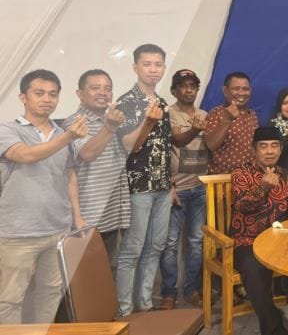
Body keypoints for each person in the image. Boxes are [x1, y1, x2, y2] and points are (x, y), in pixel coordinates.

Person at [0, 70, 88, 324]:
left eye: (53, 94)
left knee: (50, 293)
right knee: (9, 299)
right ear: (23, 97)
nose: (47, 99)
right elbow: (25, 155)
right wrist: (69, 136)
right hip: (17, 232)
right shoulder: (7, 129)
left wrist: (77, 217)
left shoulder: (62, 132)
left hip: (57, 229)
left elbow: (69, 174)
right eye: (39, 93)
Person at [230, 126, 288, 335]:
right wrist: (264, 187)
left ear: (280, 149)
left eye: (274, 146)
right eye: (264, 146)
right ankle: (274, 328)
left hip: (281, 240)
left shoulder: (287, 176)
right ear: (254, 149)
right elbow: (242, 206)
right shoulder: (241, 174)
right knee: (254, 270)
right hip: (248, 241)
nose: (270, 151)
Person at [114, 43, 172, 316]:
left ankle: (145, 304)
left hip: (163, 186)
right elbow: (129, 145)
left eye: (158, 64)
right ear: (135, 67)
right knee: (132, 250)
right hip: (138, 187)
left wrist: (171, 184)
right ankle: (125, 310)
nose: (153, 69)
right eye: (147, 64)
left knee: (156, 246)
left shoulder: (162, 102)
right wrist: (147, 121)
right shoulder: (125, 102)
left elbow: (165, 148)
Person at [62, 69, 129, 265]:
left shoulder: (114, 120)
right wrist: (110, 127)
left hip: (112, 213)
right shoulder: (75, 122)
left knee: (107, 270)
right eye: (95, 88)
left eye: (108, 89)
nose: (103, 93)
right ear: (80, 94)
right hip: (88, 215)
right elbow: (88, 154)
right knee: (85, 274)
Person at [159, 69, 209, 310]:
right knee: (169, 243)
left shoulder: (204, 115)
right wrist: (169, 185)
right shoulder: (166, 114)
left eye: (193, 86)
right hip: (176, 188)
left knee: (196, 242)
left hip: (200, 188)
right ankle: (169, 293)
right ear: (174, 90)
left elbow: (210, 146)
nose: (189, 90)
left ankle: (191, 290)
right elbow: (176, 141)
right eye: (183, 86)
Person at [204, 71, 259, 175]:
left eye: (245, 89)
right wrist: (227, 120)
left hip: (248, 179)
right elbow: (210, 145)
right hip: (222, 179)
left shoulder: (253, 115)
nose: (241, 93)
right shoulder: (216, 113)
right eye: (236, 89)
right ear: (225, 90)